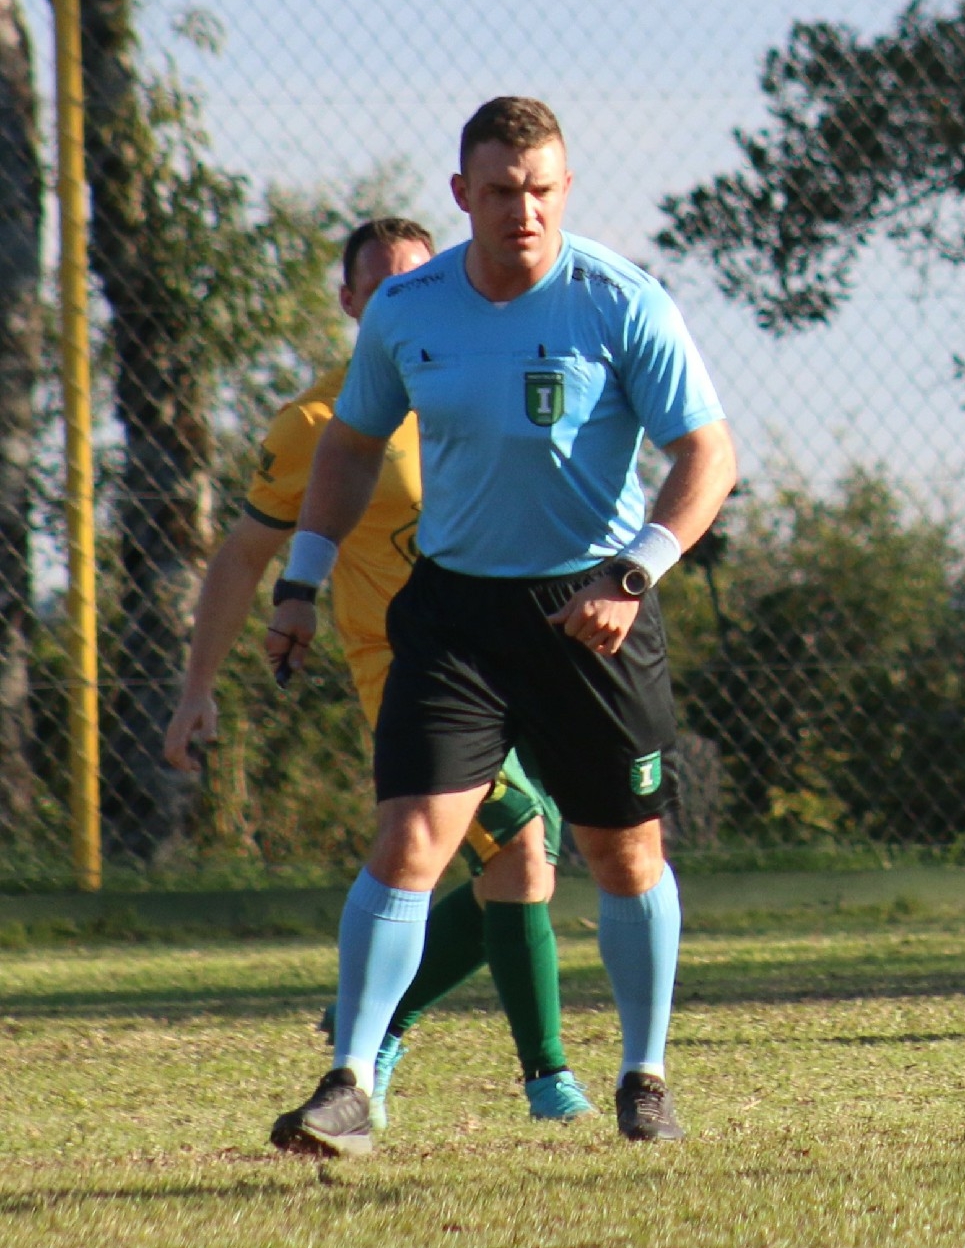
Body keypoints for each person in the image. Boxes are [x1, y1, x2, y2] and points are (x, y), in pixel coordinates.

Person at [262, 97, 738, 1156]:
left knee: (623, 853)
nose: (522, 209)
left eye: (541, 189)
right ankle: (349, 1080)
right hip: (456, 613)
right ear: (462, 194)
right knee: (409, 842)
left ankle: (644, 1075)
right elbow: (347, 447)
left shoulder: (622, 301)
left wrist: (635, 573)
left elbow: (707, 456)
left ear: (564, 189)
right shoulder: (409, 308)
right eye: (500, 190)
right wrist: (300, 582)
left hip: (591, 611)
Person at [165, 218, 597, 1129]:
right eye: (384, 284)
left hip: (522, 654)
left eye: (421, 275)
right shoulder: (320, 423)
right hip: (415, 671)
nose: (407, 294)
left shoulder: (475, 384)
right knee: (518, 845)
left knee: (532, 851)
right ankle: (544, 1085)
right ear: (354, 303)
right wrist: (197, 688)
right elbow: (244, 554)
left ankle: (383, 1020)